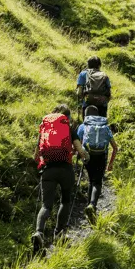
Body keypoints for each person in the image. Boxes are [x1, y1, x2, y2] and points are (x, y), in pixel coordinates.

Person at [32, 104, 88, 253]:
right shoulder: (69, 128)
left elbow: (36, 155)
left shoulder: (45, 128)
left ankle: (39, 232)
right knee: (65, 201)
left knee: (46, 205)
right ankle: (59, 233)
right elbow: (80, 150)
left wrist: (43, 162)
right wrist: (84, 156)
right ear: (66, 117)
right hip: (65, 170)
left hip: (48, 170)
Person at [76, 114, 118, 222]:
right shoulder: (106, 127)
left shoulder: (83, 126)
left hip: (88, 156)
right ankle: (92, 205)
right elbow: (115, 147)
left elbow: (78, 143)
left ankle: (89, 207)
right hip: (101, 156)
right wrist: (110, 164)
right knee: (97, 182)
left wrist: (80, 154)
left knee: (91, 180)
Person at [75, 56, 112, 120]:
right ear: (99, 65)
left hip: (87, 105)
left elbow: (79, 92)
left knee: (87, 124)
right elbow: (109, 93)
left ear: (88, 65)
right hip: (102, 105)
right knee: (101, 124)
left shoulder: (83, 74)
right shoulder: (104, 75)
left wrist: (82, 100)